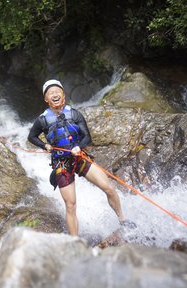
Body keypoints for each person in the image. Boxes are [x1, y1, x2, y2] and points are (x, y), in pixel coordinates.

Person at [28, 79, 135, 236]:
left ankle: (123, 220)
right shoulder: (42, 120)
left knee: (109, 188)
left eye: (57, 91)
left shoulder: (75, 114)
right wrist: (45, 146)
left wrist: (79, 147)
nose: (55, 94)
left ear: (63, 95)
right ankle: (74, 241)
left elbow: (87, 137)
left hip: (80, 157)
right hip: (62, 163)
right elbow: (32, 137)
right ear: (46, 99)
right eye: (50, 93)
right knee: (70, 205)